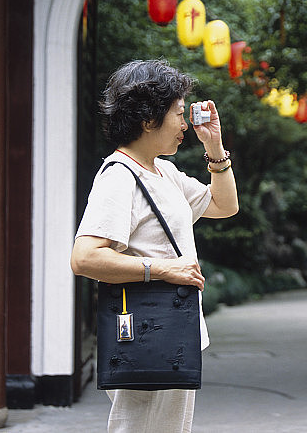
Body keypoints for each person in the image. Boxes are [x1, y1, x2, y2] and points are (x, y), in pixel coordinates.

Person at [71, 59, 238, 433]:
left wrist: (214, 146)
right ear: (148, 120)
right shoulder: (119, 176)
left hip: (171, 328)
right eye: (179, 114)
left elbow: (224, 205)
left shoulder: (163, 171)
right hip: (149, 330)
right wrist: (162, 268)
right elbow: (84, 258)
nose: (185, 125)